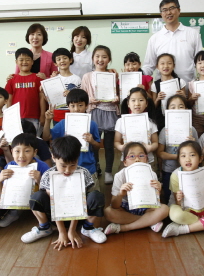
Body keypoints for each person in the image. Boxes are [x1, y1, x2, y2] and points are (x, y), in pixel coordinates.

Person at [21, 136, 107, 249]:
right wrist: (62, 232)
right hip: (55, 216)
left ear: (78, 158)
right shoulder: (48, 175)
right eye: (63, 165)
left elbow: (79, 201)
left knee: (96, 196)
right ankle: (44, 228)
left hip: (80, 216)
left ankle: (88, 228)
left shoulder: (84, 173)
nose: (67, 170)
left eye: (73, 165)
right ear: (53, 157)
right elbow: (54, 203)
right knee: (36, 197)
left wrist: (71, 230)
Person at [162, 140, 204, 238]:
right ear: (179, 160)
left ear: (200, 158)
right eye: (183, 156)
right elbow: (177, 203)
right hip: (182, 208)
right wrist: (179, 198)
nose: (188, 159)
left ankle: (183, 228)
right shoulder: (175, 175)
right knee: (176, 215)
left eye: (192, 155)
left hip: (200, 208)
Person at [104, 142, 169, 235]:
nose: (137, 159)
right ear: (125, 162)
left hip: (146, 208)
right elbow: (115, 205)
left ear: (146, 159)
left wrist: (158, 190)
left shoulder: (152, 174)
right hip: (126, 208)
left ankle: (125, 228)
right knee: (108, 212)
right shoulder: (119, 176)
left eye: (141, 155)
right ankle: (149, 221)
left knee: (165, 209)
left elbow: (156, 202)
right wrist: (120, 194)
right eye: (132, 156)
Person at [42, 89, 101, 191]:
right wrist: (48, 120)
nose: (76, 109)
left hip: (88, 167)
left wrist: (92, 141)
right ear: (68, 106)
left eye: (80, 105)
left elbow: (97, 146)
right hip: (67, 169)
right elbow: (46, 137)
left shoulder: (92, 124)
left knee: (92, 195)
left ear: (86, 105)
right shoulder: (63, 123)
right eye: (73, 106)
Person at [81, 45, 119, 184]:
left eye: (104, 57)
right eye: (97, 56)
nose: (100, 59)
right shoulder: (87, 76)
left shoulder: (113, 75)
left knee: (109, 145)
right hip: (94, 112)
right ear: (92, 59)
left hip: (110, 112)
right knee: (94, 143)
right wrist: (90, 99)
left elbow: (120, 93)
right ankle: (96, 168)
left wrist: (117, 98)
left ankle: (109, 170)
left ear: (109, 59)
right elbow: (83, 95)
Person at [142, 0, 202, 84]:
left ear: (179, 10)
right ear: (161, 14)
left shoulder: (192, 34)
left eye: (172, 8)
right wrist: (134, 74)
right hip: (163, 91)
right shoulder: (154, 38)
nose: (168, 12)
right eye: (164, 10)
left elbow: (200, 61)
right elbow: (149, 66)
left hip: (188, 89)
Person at [0, 133, 50, 228]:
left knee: (40, 197)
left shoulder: (42, 166)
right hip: (17, 199)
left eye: (27, 151)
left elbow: (50, 193)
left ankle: (44, 221)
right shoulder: (10, 167)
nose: (21, 156)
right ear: (12, 151)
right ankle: (14, 213)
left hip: (38, 203)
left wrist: (40, 180)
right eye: (17, 151)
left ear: (35, 152)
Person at [157, 95, 198, 203]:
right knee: (169, 197)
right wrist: (179, 157)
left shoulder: (192, 130)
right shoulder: (164, 130)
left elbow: (198, 154)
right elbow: (160, 153)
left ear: (186, 110)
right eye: (173, 107)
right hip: (169, 170)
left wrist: (193, 144)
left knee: (189, 197)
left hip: (189, 171)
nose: (177, 110)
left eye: (181, 107)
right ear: (167, 111)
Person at [5, 47, 46, 133]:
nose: (24, 62)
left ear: (32, 62)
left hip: (34, 117)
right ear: (16, 62)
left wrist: (42, 115)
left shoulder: (37, 78)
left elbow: (42, 98)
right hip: (16, 117)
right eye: (21, 60)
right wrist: (9, 116)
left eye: (27, 60)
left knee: (33, 141)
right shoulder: (12, 79)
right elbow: (9, 100)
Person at [114, 87, 158, 166]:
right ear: (128, 103)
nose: (137, 103)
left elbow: (155, 142)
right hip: (128, 160)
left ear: (146, 103)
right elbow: (116, 141)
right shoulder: (120, 121)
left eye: (141, 100)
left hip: (147, 160)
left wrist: (150, 148)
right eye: (133, 100)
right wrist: (121, 147)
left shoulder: (151, 122)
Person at [150, 53, 186, 131]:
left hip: (179, 116)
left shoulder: (180, 82)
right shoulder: (155, 85)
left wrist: (183, 96)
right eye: (162, 63)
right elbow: (154, 106)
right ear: (157, 67)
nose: (166, 66)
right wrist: (158, 99)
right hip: (162, 119)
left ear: (173, 66)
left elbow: (186, 103)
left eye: (169, 63)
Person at [48, 48, 81, 123]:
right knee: (58, 134)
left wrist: (71, 95)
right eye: (59, 59)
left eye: (65, 58)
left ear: (70, 60)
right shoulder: (53, 79)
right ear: (55, 63)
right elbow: (49, 97)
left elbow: (80, 97)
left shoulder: (77, 79)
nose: (62, 61)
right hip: (57, 112)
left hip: (73, 112)